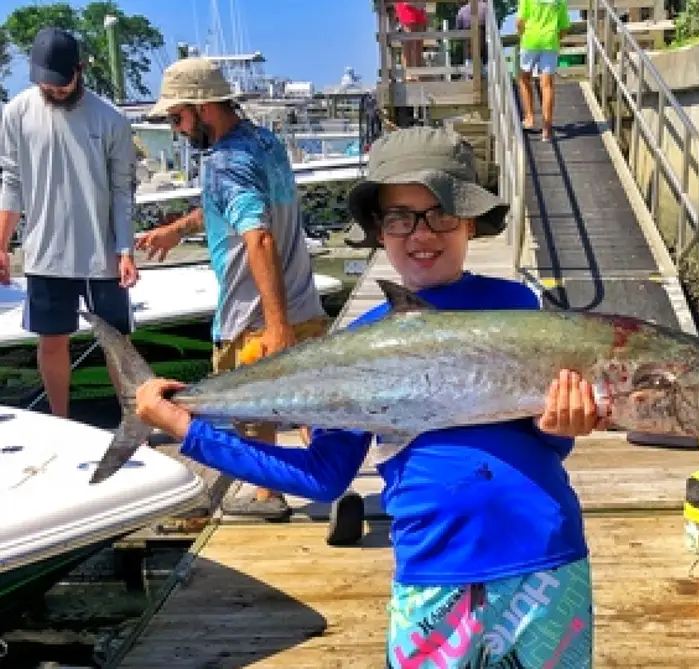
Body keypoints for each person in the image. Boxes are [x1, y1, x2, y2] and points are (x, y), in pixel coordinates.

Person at [132, 126, 601, 667]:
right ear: (379, 229)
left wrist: (562, 428)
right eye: (400, 217)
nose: (421, 233)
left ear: (469, 219)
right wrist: (189, 430)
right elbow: (324, 476)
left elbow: (540, 444)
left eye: (441, 212)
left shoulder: (519, 307)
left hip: (549, 558)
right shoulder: (358, 347)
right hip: (434, 575)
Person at [134, 57, 364, 538]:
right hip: (301, 304)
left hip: (253, 314)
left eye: (177, 118)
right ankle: (338, 491)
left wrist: (274, 323)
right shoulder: (265, 142)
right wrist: (178, 229)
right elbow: (229, 207)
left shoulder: (222, 161)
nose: (176, 130)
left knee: (249, 410)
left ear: (201, 107)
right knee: (311, 404)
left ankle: (267, 495)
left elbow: (258, 236)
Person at [0, 27, 138, 418]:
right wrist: (2, 245)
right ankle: (61, 423)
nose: (55, 91)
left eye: (62, 84)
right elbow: (11, 181)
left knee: (117, 343)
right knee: (51, 341)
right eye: (47, 85)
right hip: (45, 253)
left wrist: (125, 249)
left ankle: (135, 419)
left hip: (102, 253)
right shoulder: (16, 113)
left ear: (79, 70)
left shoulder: (111, 118)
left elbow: (123, 190)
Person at [516, 0, 571, 142]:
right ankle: (546, 129)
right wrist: (555, 39)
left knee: (524, 78)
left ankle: (529, 118)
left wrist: (522, 36)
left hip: (530, 40)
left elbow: (520, 21)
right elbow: (565, 27)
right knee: (547, 85)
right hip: (550, 41)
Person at [395, 2, 429, 81]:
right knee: (408, 42)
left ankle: (418, 73)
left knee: (419, 43)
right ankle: (408, 73)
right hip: (406, 7)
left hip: (420, 9)